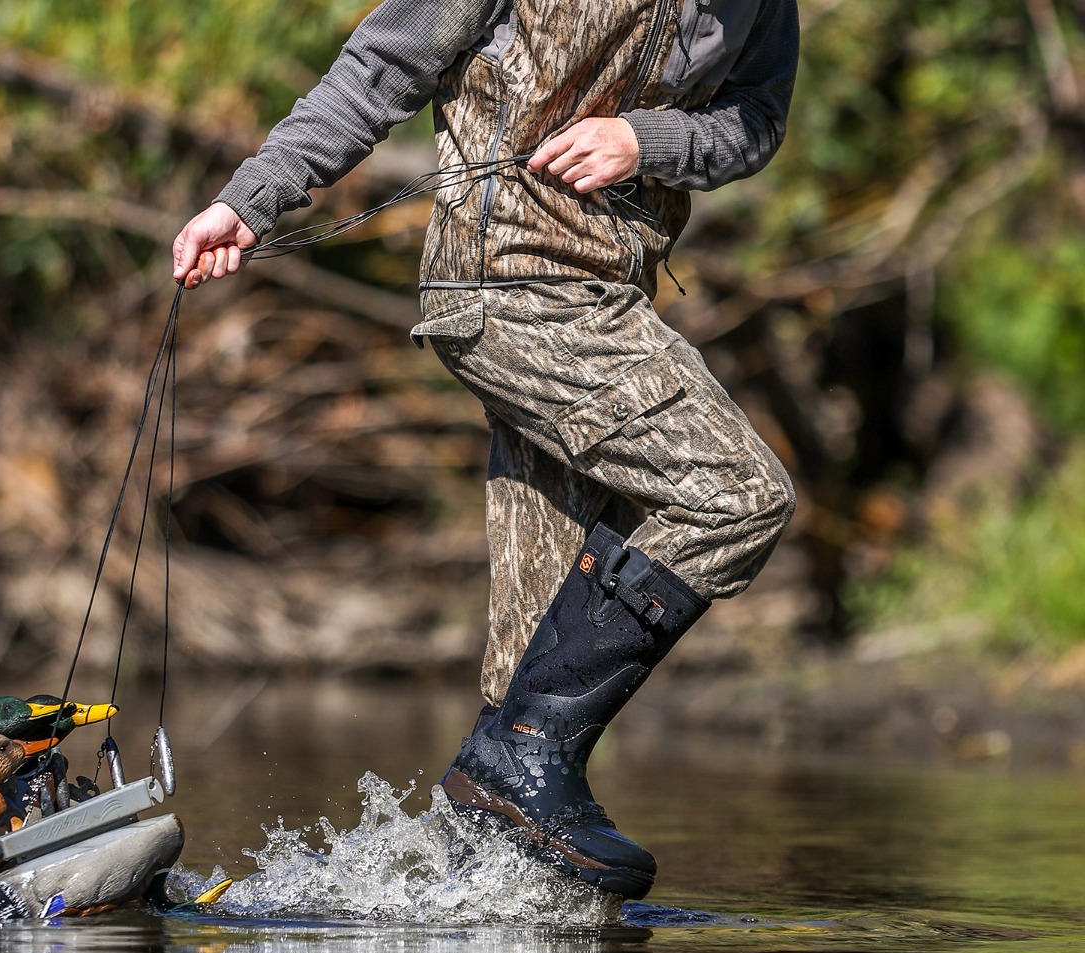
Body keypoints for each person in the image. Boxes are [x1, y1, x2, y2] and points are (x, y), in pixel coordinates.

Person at [173, 0, 800, 901]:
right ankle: (526, 753)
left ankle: (451, 891)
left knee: (528, 652)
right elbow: (380, 67)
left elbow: (756, 122)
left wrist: (646, 142)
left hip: (612, 295)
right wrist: (247, 202)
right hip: (507, 284)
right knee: (736, 495)